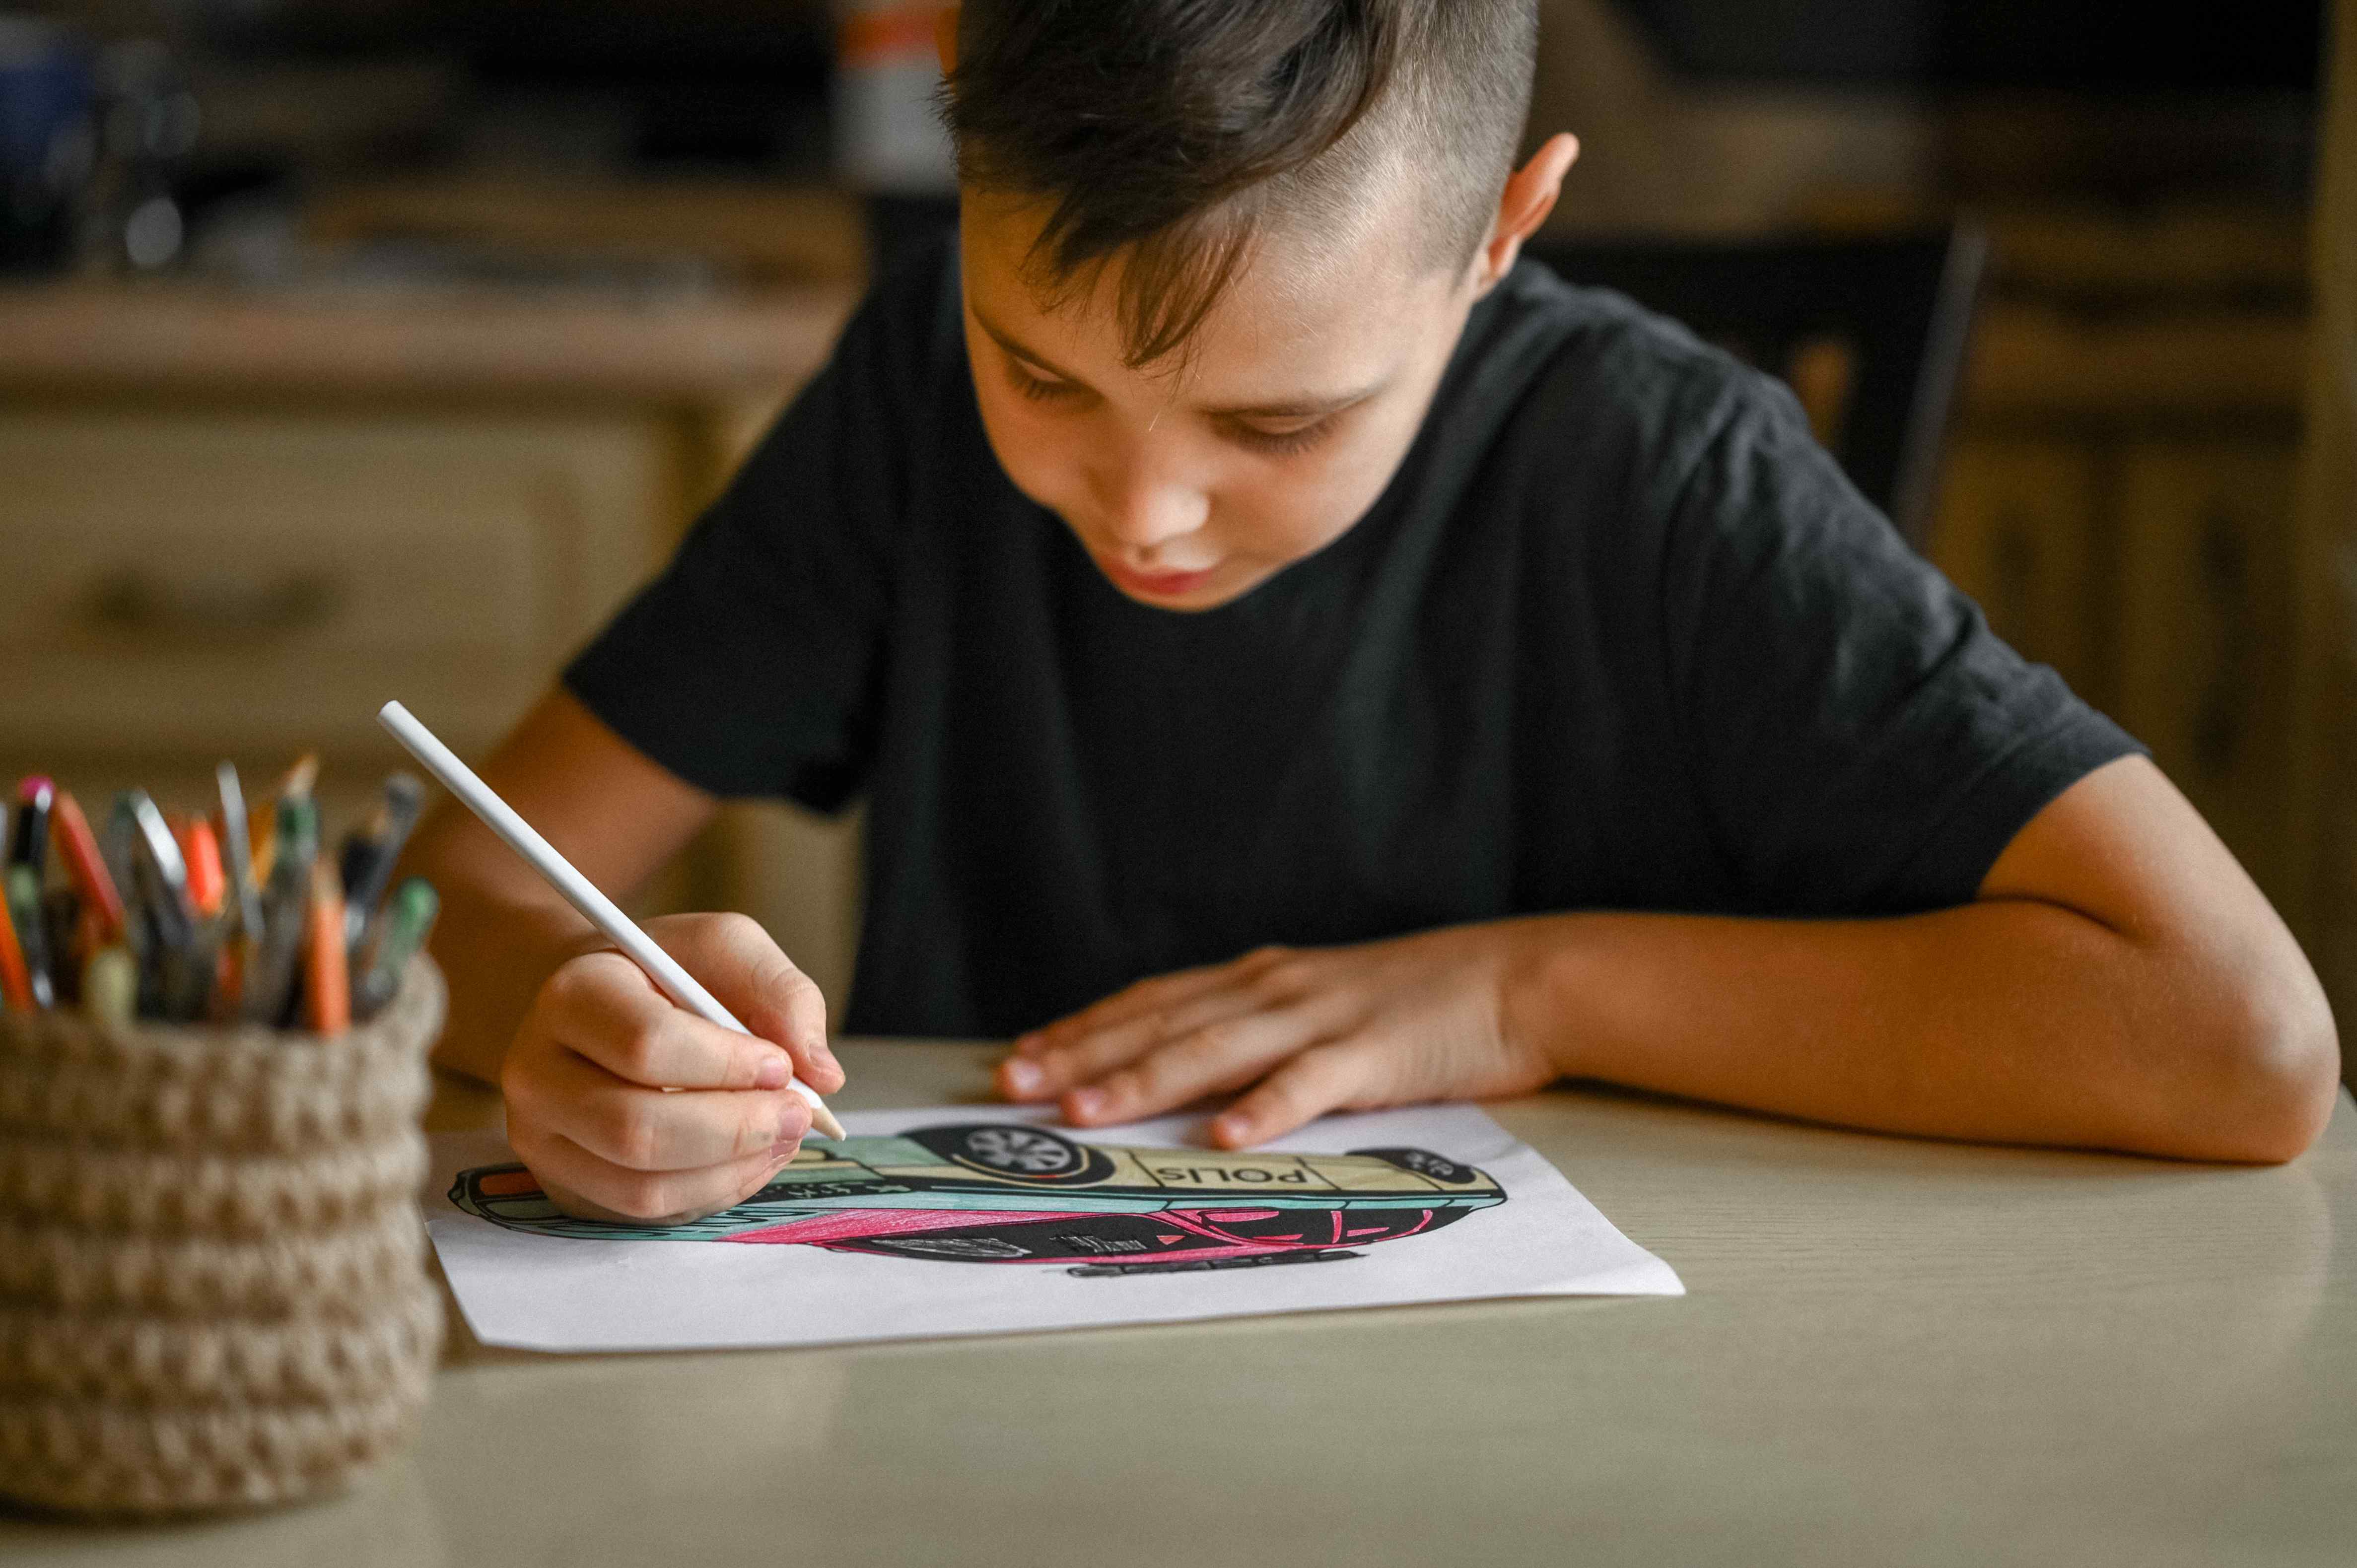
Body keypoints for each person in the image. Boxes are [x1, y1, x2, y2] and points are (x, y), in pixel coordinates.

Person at [404, 0, 2340, 1226]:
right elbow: (460, 891)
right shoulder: (912, 390)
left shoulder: (1665, 475)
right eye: (1045, 374)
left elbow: (2235, 1039)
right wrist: (569, 1019)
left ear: (1501, 230)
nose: (1142, 511)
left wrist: (1520, 987)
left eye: (1273, 421)